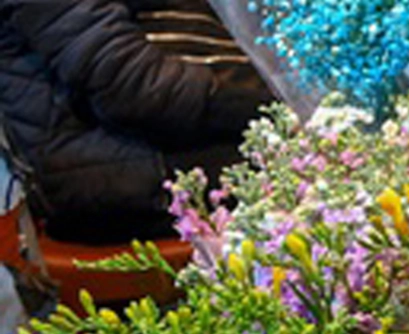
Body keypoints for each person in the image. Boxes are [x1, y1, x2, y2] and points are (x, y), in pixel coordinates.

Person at [0, 0, 272, 245]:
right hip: (118, 167)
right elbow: (133, 87)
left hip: (162, 129)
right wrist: (275, 104)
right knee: (301, 168)